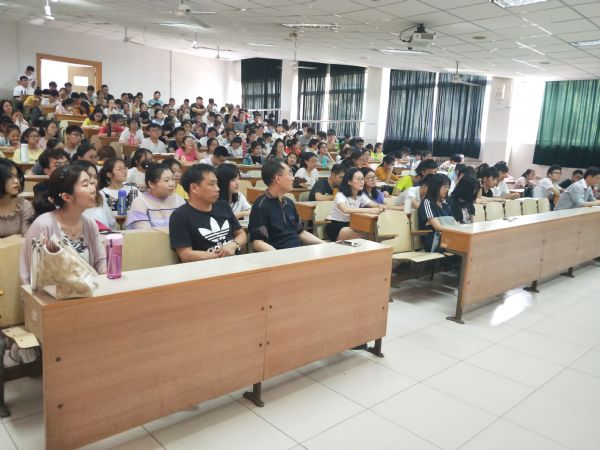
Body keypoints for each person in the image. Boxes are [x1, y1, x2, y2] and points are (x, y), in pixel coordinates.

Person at [21, 164, 107, 284]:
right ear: (67, 197)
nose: (93, 189)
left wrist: (106, 270)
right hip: (51, 292)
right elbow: (33, 273)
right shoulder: (43, 225)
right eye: (85, 185)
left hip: (88, 290)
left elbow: (100, 260)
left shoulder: (89, 223)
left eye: (91, 183)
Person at [169, 164, 246, 261]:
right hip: (207, 267)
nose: (217, 188)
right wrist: (222, 255)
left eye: (217, 184)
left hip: (236, 262)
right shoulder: (180, 216)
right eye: (212, 184)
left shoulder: (223, 205)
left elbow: (242, 234)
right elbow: (186, 255)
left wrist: (233, 245)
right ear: (194, 188)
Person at [248, 158, 324, 251]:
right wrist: (280, 255)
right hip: (276, 256)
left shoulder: (289, 203)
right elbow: (257, 242)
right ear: (278, 179)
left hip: (296, 253)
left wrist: (324, 244)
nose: (293, 178)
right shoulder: (261, 206)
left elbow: (301, 232)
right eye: (289, 174)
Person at [324, 167, 386, 242]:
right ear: (349, 182)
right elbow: (345, 210)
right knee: (370, 233)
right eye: (358, 179)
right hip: (337, 227)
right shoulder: (340, 195)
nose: (362, 182)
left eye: (362, 179)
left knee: (376, 230)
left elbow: (375, 205)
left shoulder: (360, 195)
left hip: (352, 225)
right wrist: (370, 210)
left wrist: (382, 207)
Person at [126, 163, 185, 230]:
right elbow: (144, 233)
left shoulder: (179, 200)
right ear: (151, 184)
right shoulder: (140, 202)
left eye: (173, 179)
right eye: (166, 180)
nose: (172, 184)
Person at [72, 160, 116, 231]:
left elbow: (112, 224)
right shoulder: (69, 202)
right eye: (88, 176)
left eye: (95, 177)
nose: (93, 181)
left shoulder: (100, 196)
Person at [418, 174, 453, 252]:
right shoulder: (427, 203)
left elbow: (454, 223)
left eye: (448, 187)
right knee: (462, 247)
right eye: (444, 187)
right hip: (434, 241)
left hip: (447, 238)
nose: (447, 189)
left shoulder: (445, 205)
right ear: (435, 187)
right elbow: (438, 227)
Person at [0, 158, 33, 238]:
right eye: (9, 177)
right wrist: (15, 238)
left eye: (17, 176)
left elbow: (27, 239)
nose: (16, 181)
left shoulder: (24, 205)